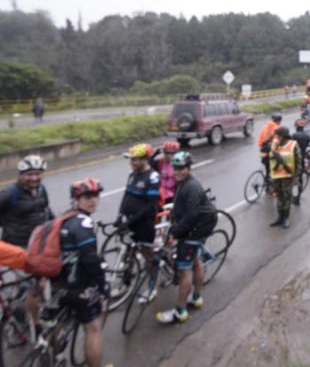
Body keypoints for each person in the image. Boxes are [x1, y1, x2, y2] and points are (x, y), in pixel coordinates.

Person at [156, 151, 217, 325]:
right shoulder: (183, 182)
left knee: (184, 271)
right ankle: (196, 298)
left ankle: (180, 311)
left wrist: (175, 234)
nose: (177, 172)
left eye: (181, 168)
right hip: (201, 225)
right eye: (175, 168)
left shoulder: (191, 187)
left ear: (189, 168)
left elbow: (190, 217)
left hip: (196, 229)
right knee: (196, 261)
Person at [0, 155, 53, 330]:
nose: (34, 178)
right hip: (17, 246)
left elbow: (46, 211)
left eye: (38, 174)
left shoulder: (41, 189)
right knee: (32, 284)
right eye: (29, 174)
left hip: (38, 245)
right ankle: (33, 321)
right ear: (20, 174)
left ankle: (21, 308)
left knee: (37, 282)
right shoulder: (10, 193)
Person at [60, 178, 107, 367]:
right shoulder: (84, 224)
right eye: (87, 196)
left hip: (55, 282)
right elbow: (90, 260)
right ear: (76, 199)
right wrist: (102, 284)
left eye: (96, 195)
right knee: (93, 328)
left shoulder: (64, 217)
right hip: (77, 285)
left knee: (58, 322)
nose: (93, 200)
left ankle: (55, 356)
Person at [117, 144, 161, 278]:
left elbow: (149, 205)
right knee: (129, 250)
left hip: (144, 222)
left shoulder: (153, 176)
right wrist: (120, 215)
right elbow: (126, 195)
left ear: (145, 159)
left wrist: (132, 220)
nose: (132, 162)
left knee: (146, 253)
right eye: (131, 160)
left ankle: (152, 285)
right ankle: (127, 278)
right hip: (130, 219)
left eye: (135, 159)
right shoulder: (132, 174)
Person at [268, 127, 302, 229]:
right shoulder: (275, 144)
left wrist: (296, 176)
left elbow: (298, 161)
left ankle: (286, 218)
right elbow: (269, 156)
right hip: (277, 176)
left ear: (283, 136)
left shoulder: (293, 145)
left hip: (288, 176)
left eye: (278, 135)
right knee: (279, 196)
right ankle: (280, 217)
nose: (276, 137)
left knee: (286, 198)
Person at [257, 112, 282, 177]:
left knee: (267, 167)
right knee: (280, 159)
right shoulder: (276, 127)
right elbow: (278, 140)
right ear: (279, 121)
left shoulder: (265, 125)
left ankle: (267, 180)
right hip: (269, 149)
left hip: (262, 148)